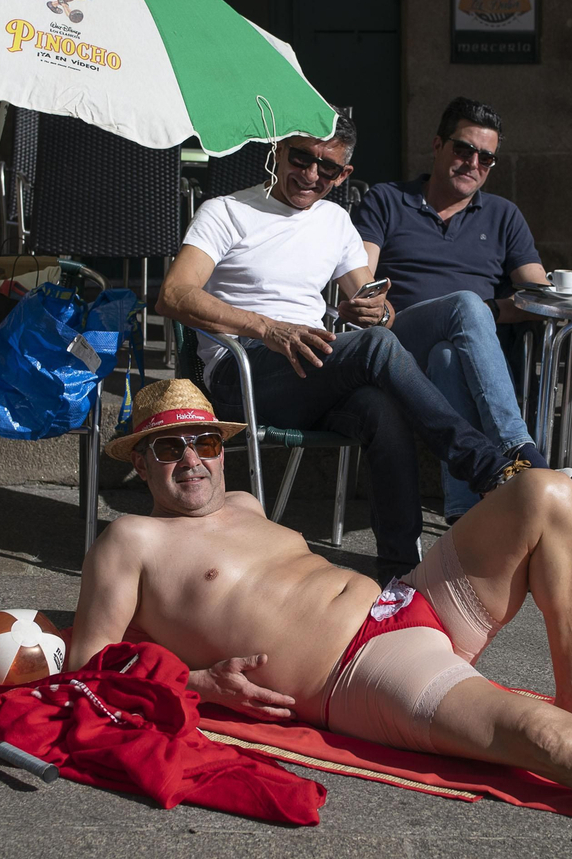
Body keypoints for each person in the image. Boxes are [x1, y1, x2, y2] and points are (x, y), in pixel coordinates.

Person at [69, 379, 572, 859]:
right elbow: (87, 673)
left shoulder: (240, 498)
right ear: (139, 463)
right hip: (361, 674)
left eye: (204, 441)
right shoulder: (128, 541)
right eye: (169, 448)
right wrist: (201, 687)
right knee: (544, 738)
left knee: (545, 490)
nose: (193, 461)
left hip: (406, 602)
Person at [156, 115, 549, 581]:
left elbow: (374, 302)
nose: (311, 175)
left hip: (312, 368)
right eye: (302, 158)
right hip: (243, 369)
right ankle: (485, 466)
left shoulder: (335, 220)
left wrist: (374, 311)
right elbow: (175, 294)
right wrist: (267, 328)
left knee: (381, 406)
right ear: (279, 151)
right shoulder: (226, 212)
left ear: (344, 175)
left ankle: (401, 574)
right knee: (376, 349)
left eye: (328, 169)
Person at [350, 97, 558, 524]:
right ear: (438, 145)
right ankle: (518, 448)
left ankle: (465, 514)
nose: (473, 163)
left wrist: (490, 313)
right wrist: (380, 311)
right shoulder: (387, 200)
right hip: (399, 342)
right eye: (464, 149)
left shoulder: (504, 215)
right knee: (464, 304)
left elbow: (540, 298)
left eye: (486, 157)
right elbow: (361, 283)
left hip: (466, 354)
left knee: (449, 353)